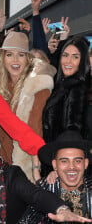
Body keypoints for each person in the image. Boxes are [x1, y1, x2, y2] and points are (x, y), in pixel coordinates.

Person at [0, 130, 92, 224]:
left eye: (78, 161)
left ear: (86, 163)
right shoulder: (47, 187)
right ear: (55, 165)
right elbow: (30, 217)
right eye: (64, 161)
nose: (72, 167)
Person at [0, 31, 56, 182]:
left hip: (24, 166)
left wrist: (35, 169)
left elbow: (35, 129)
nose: (15, 60)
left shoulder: (36, 87)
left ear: (28, 58)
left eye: (21, 55)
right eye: (9, 54)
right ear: (3, 58)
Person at [42, 37, 90, 175]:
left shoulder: (77, 89)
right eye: (65, 55)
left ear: (82, 61)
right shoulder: (62, 85)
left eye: (75, 57)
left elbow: (72, 132)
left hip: (64, 167)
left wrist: (59, 167)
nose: (68, 61)